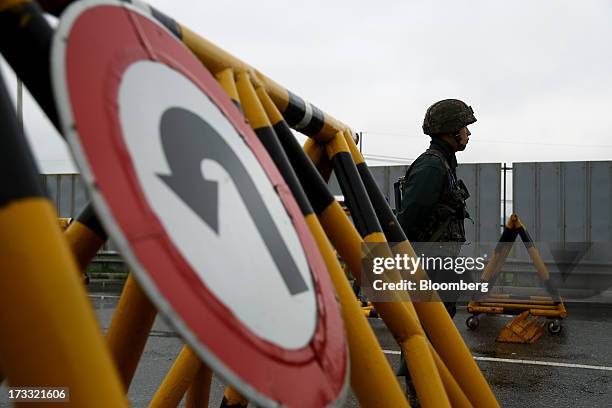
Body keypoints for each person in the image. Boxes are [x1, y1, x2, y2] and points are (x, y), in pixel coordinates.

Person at [395, 99, 476, 401]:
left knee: (437, 332)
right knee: (427, 333)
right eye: (464, 126)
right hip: (429, 267)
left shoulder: (443, 164)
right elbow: (408, 220)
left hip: (440, 264)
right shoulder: (432, 166)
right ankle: (419, 392)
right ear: (449, 130)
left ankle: (428, 390)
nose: (468, 132)